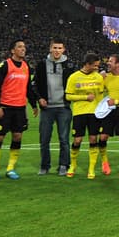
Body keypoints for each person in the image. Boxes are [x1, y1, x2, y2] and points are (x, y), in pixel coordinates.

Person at [0, 39, 39, 181]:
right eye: (20, 47)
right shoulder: (5, 66)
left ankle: (11, 168)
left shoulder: (26, 66)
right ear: (12, 50)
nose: (23, 49)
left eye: (24, 46)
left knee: (17, 137)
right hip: (5, 107)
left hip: (20, 108)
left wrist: (33, 104)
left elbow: (28, 87)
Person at [33, 40, 75, 176]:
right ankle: (44, 166)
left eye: (60, 48)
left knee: (64, 139)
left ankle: (64, 165)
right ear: (50, 49)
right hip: (47, 108)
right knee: (44, 138)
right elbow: (35, 85)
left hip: (63, 107)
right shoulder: (41, 64)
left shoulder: (69, 65)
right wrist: (39, 98)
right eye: (54, 47)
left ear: (64, 49)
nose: (57, 50)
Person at [64, 52, 106, 179]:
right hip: (79, 112)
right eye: (95, 65)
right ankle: (73, 165)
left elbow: (101, 95)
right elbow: (68, 96)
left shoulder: (98, 77)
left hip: (94, 113)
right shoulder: (74, 77)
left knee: (93, 139)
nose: (97, 68)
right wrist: (85, 97)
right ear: (87, 64)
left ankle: (91, 169)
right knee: (78, 140)